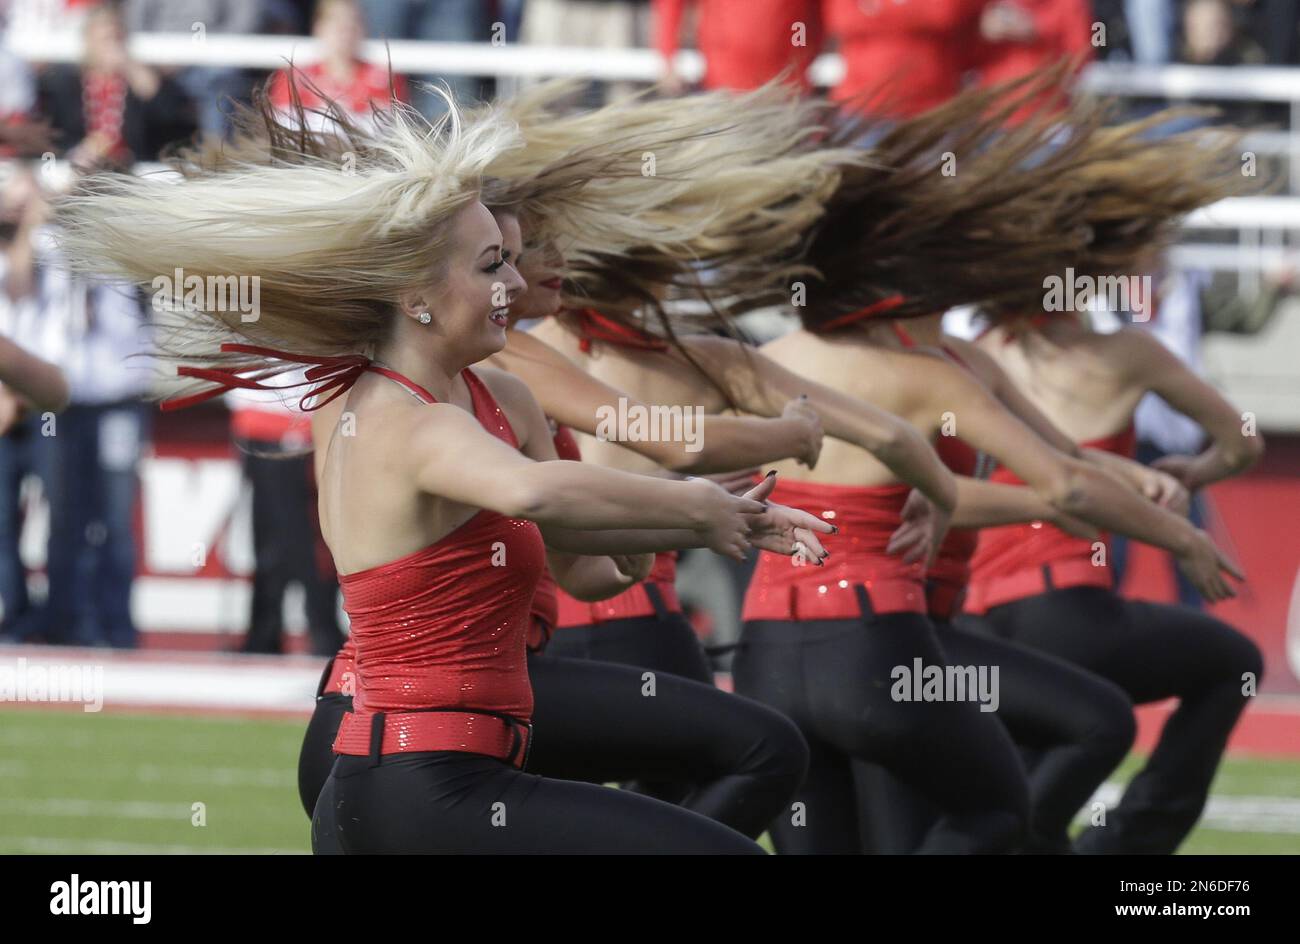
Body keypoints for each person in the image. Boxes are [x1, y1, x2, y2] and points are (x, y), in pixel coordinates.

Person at [58, 90, 835, 853]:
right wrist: (709, 498)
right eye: (493, 265)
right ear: (416, 297)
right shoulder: (399, 417)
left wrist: (667, 520)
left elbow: (588, 564)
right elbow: (541, 489)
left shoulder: (497, 394)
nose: (516, 285)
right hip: (419, 780)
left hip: (442, 770)